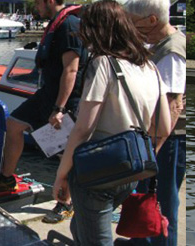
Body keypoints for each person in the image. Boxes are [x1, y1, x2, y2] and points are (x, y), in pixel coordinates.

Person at [51, 2, 172, 245]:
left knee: (96, 237)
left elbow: (84, 128)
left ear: (95, 31)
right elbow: (164, 128)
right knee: (82, 225)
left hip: (97, 172)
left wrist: (61, 175)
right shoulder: (150, 66)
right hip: (130, 172)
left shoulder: (103, 64)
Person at [0, 0, 88, 223]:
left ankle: (65, 203)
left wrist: (60, 108)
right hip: (46, 94)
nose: (35, 5)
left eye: (38, 2)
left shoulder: (70, 25)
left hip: (64, 100)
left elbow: (71, 69)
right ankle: (6, 179)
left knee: (65, 152)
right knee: (13, 123)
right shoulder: (56, 22)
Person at [121, 1, 187, 246]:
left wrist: (153, 149)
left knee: (162, 199)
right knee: (146, 193)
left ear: (151, 20)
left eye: (132, 22)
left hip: (166, 139)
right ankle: (141, 240)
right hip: (153, 134)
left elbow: (171, 106)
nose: (130, 28)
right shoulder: (157, 43)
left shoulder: (171, 51)